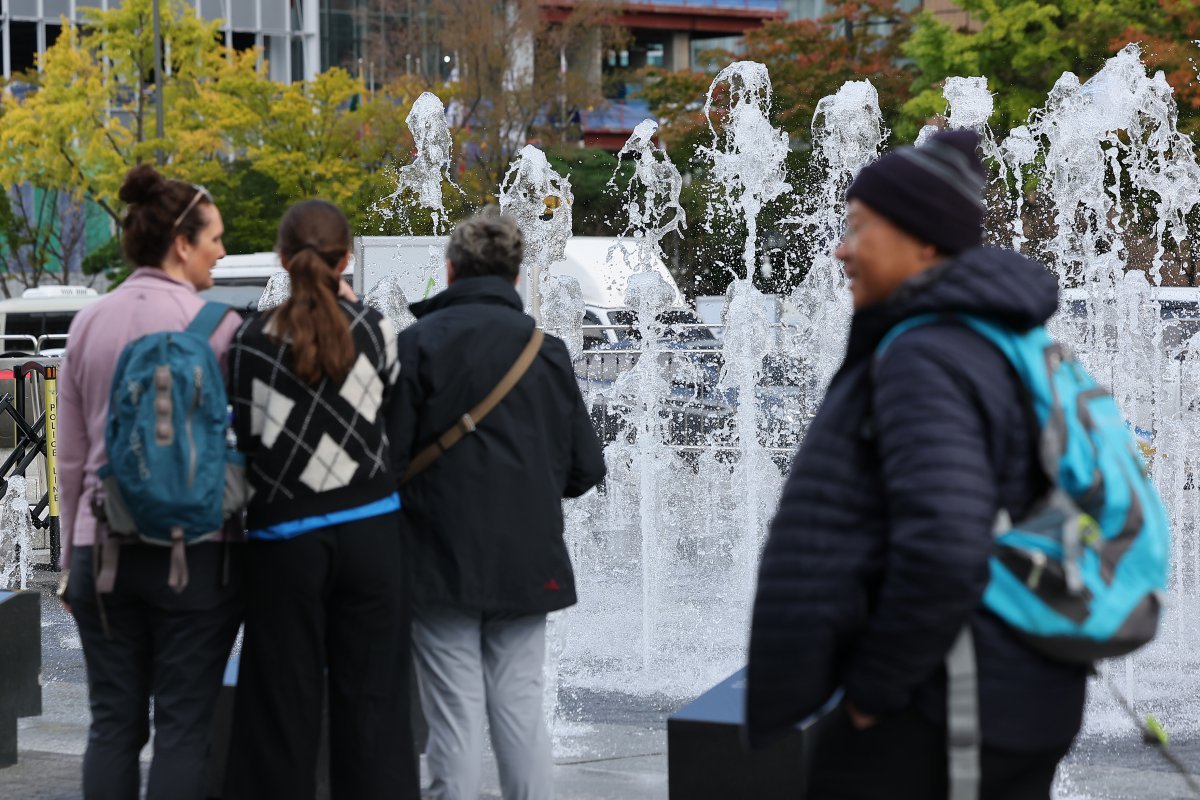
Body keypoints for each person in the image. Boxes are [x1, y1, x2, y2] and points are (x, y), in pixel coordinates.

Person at [746, 130, 1088, 799]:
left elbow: (946, 544)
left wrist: (872, 693)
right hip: (1004, 684)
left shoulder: (926, 353)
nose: (841, 249)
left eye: (859, 229)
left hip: (950, 696)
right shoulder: (994, 338)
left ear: (924, 241)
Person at [392, 210, 606, 800]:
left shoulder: (416, 345)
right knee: (520, 709)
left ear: (450, 269)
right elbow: (588, 467)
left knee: (453, 718)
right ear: (516, 276)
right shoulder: (547, 350)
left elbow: (388, 459)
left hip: (438, 558)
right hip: (525, 559)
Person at [57, 164, 244, 800]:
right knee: (184, 729)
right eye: (214, 237)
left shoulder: (88, 323)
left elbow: (74, 460)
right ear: (182, 243)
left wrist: (68, 563)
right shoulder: (220, 327)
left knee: (112, 725)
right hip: (197, 550)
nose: (222, 251)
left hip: (101, 548)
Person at [222, 199, 418, 800]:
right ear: (346, 260)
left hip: (285, 542)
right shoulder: (379, 330)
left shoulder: (249, 341)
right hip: (372, 537)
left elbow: (247, 439)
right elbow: (391, 422)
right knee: (376, 708)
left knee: (279, 707)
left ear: (282, 260)